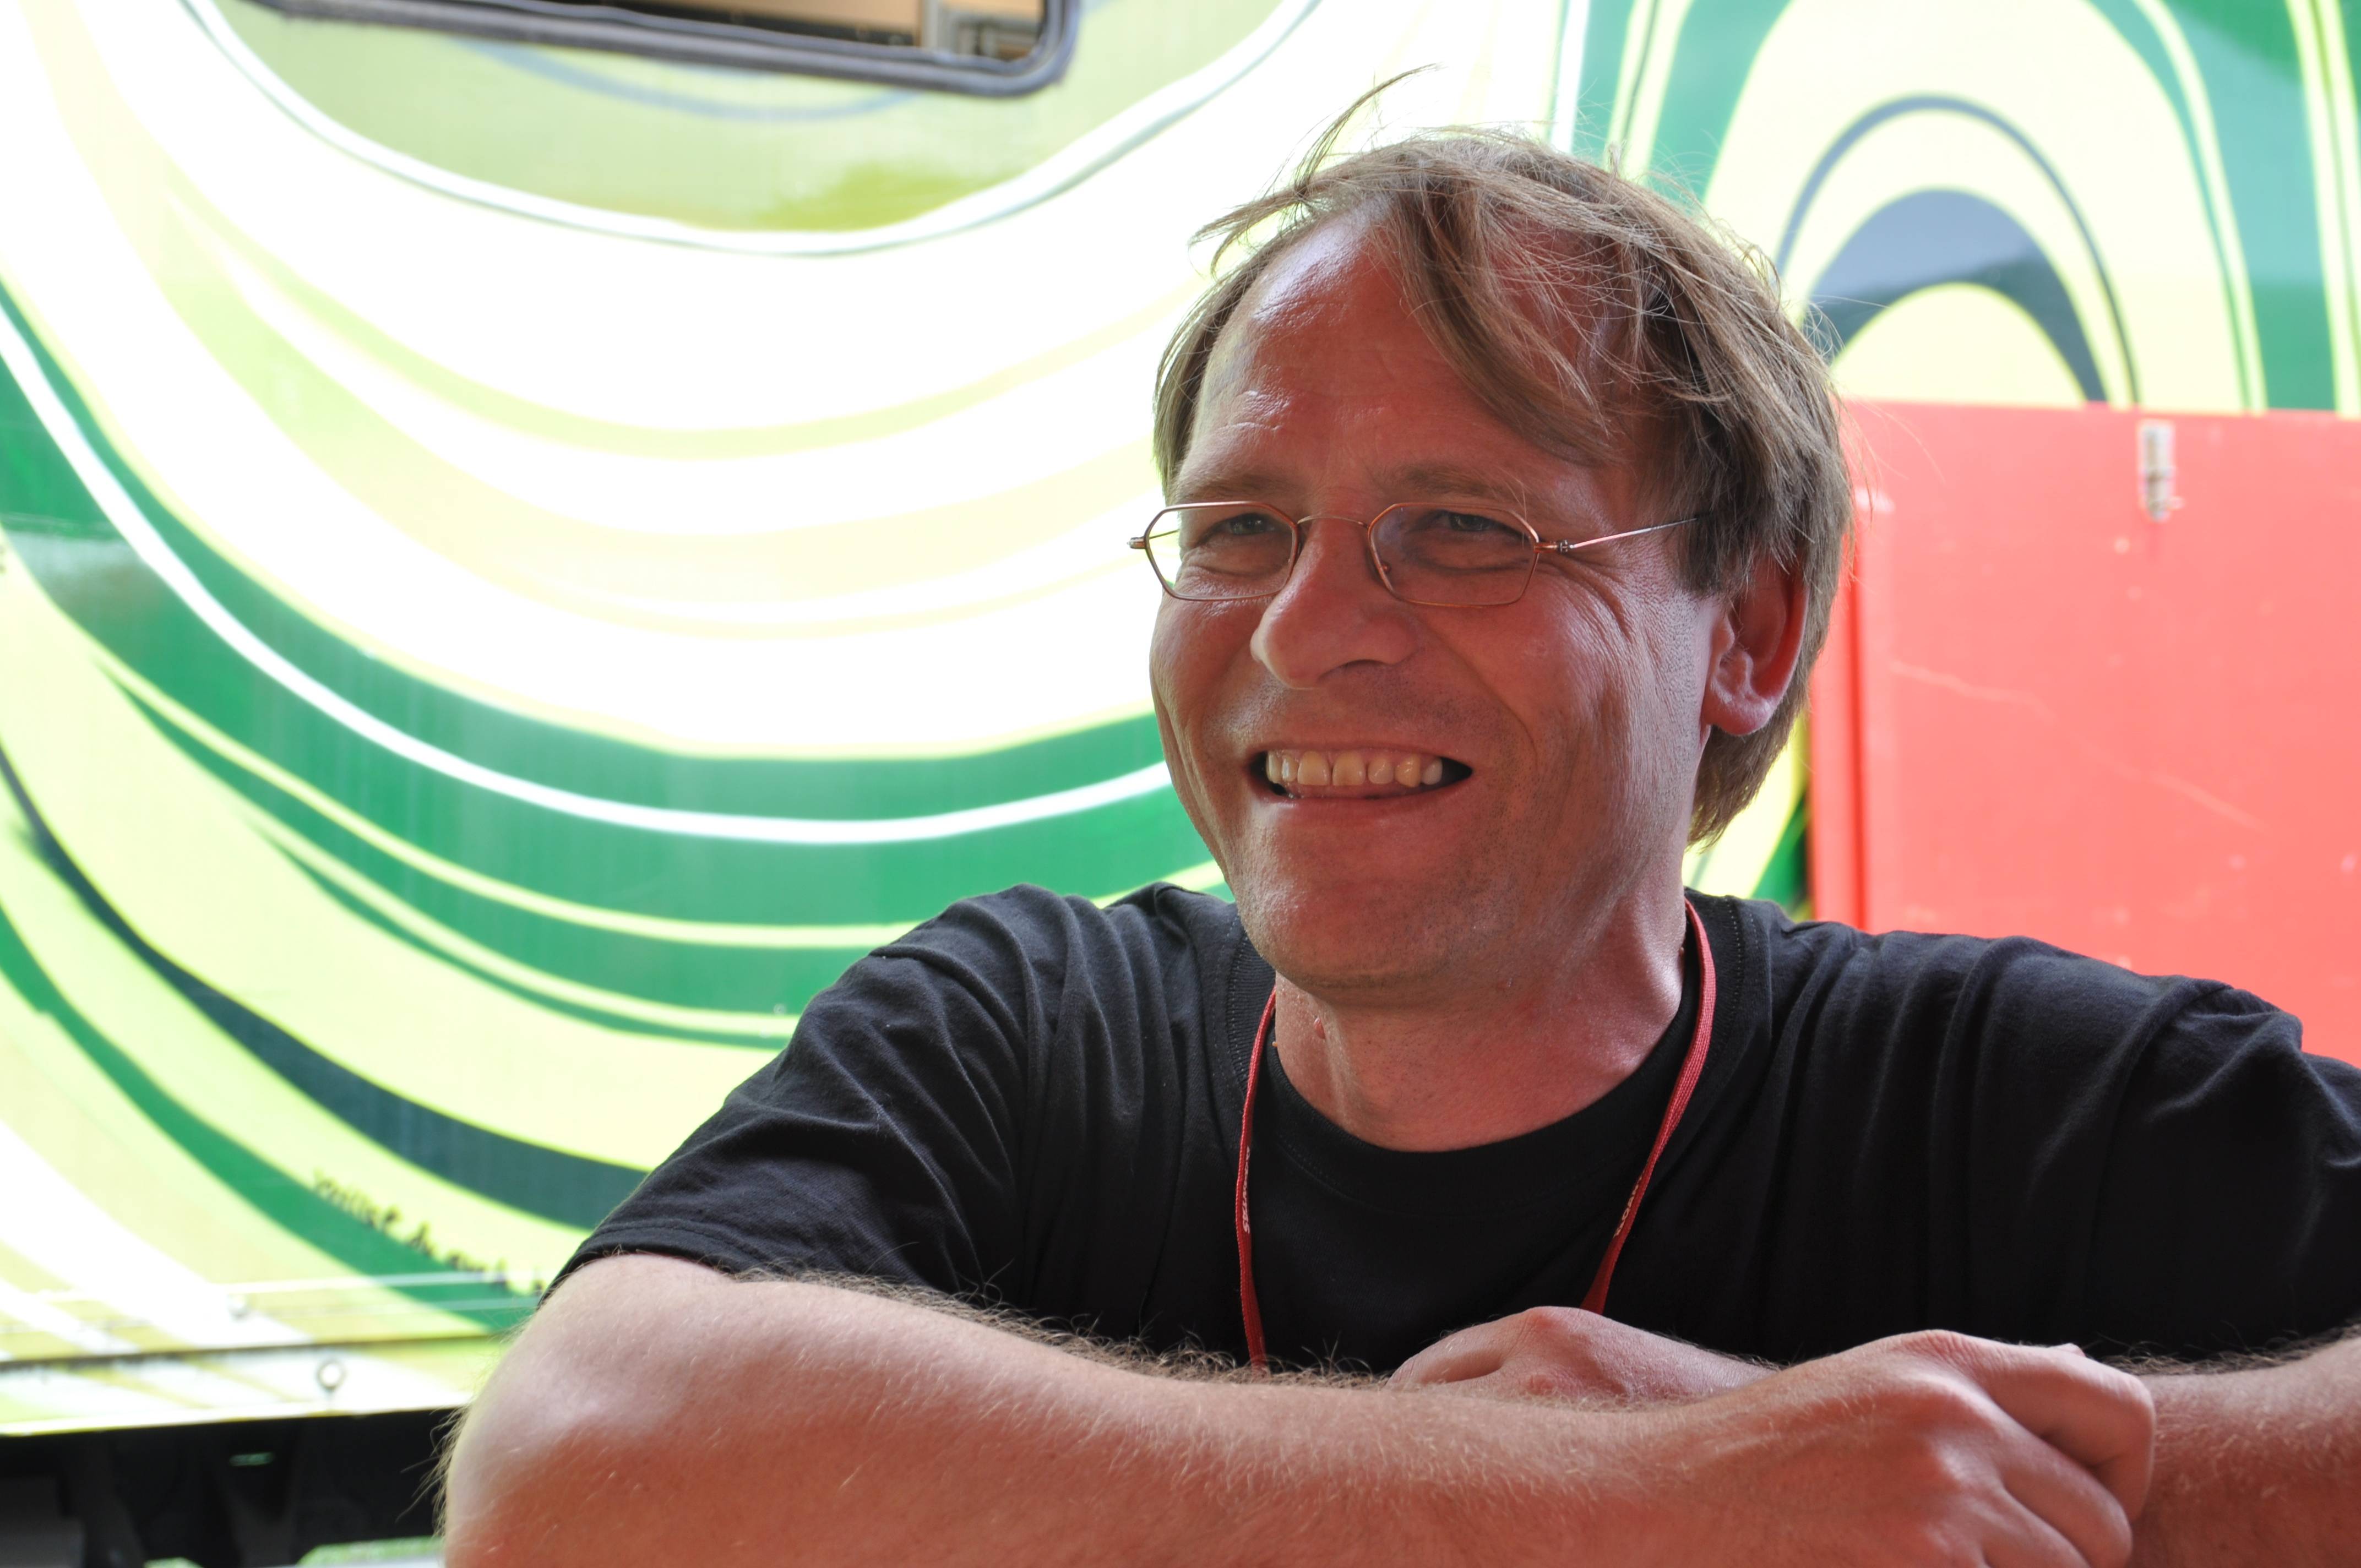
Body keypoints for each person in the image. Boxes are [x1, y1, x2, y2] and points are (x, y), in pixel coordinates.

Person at [442, 115, 2361, 1566]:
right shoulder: (1020, 1034)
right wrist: (1641, 1496)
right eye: (1239, 531)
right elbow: (568, 1464)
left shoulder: (2018, 1099)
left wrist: (1937, 1466)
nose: (1305, 630)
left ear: (1751, 635)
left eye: (1465, 530)